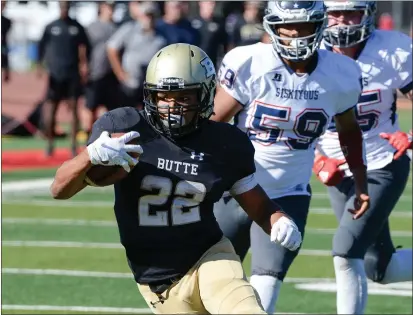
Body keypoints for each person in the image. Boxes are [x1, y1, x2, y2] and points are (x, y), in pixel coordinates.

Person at [50, 43, 303, 315]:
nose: (173, 107)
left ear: (204, 95)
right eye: (165, 97)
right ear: (151, 95)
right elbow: (59, 189)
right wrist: (89, 155)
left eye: (184, 97)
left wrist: (279, 221)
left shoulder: (225, 143)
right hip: (155, 279)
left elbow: (259, 205)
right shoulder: (125, 128)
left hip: (209, 256)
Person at [212, 1, 370, 313]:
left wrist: (360, 181)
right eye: (288, 25)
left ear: (319, 25)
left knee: (264, 289)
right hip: (235, 188)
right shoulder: (249, 61)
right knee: (209, 283)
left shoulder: (340, 72)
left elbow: (349, 130)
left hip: (288, 194)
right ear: (272, 25)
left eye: (303, 25)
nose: (295, 34)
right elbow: (212, 125)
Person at [314, 2, 412, 314]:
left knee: (345, 253)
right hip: (337, 169)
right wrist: (317, 158)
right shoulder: (310, 50)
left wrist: (411, 138)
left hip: (382, 163)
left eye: (351, 14)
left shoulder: (393, 49)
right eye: (335, 14)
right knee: (380, 268)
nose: (342, 22)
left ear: (366, 14)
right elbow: (295, 117)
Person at [37, 1, 90, 157]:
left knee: (74, 109)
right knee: (51, 109)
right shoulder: (51, 27)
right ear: (59, 8)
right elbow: (41, 47)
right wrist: (40, 66)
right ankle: (49, 144)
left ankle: (73, 146)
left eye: (67, 6)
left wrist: (84, 65)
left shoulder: (77, 27)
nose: (64, 9)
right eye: (62, 6)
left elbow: (85, 47)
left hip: (72, 74)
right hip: (55, 75)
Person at [107, 1, 166, 109]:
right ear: (141, 15)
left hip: (150, 84)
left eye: (152, 15)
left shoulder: (161, 37)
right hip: (130, 82)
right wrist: (120, 73)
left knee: (149, 115)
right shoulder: (129, 29)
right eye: (146, 15)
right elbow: (111, 48)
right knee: (126, 115)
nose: (149, 19)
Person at [84, 1, 118, 135]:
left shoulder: (116, 27)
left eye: (113, 7)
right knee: (91, 106)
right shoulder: (92, 27)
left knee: (111, 108)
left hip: (111, 73)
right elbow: (83, 49)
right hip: (95, 72)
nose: (111, 10)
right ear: (102, 7)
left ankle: (107, 136)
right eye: (109, 7)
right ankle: (89, 135)